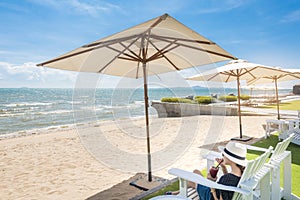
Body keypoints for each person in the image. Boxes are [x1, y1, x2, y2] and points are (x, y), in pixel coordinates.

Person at [166, 142, 246, 200]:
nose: (223, 156)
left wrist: (211, 184)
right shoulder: (241, 173)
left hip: (209, 196)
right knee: (193, 181)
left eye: (224, 154)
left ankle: (174, 194)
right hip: (216, 191)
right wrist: (223, 167)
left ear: (230, 159)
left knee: (195, 173)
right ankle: (174, 193)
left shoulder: (225, 179)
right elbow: (227, 184)